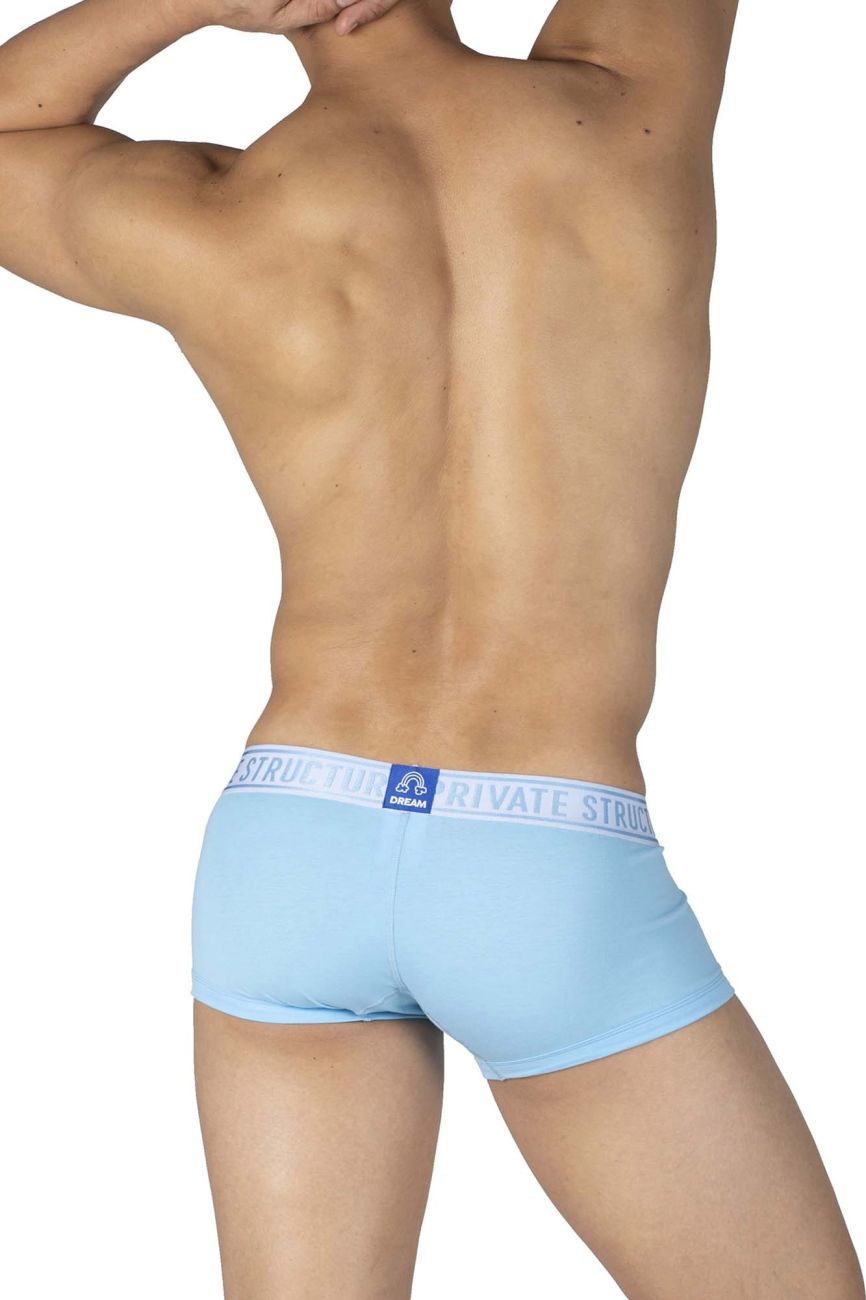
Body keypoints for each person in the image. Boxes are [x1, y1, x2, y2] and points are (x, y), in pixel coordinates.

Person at [1, 1, 862, 1297]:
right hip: (542, 853)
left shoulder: (219, 212)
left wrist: (186, 0)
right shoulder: (618, 111)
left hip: (291, 841)